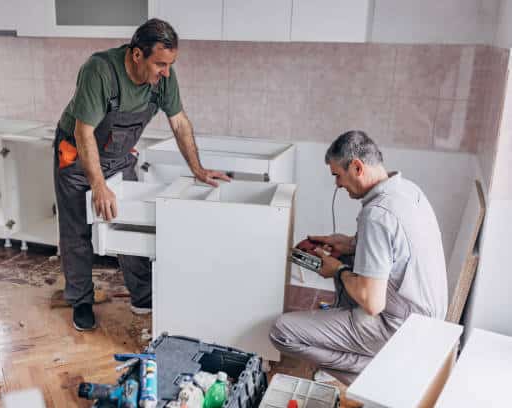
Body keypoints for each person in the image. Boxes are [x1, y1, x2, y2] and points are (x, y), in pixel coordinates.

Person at [54, 19, 230, 331]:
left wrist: (197, 169)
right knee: (77, 233)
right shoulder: (101, 71)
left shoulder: (164, 77)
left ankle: (142, 295)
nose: (166, 71)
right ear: (137, 55)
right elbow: (84, 132)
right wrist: (98, 185)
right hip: (78, 158)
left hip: (118, 159)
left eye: (170, 64)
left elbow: (179, 122)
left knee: (131, 222)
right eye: (160, 63)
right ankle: (81, 300)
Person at [270, 130, 448, 384]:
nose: (337, 185)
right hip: (427, 319)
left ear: (356, 167)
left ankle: (379, 377)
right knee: (352, 261)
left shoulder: (377, 215)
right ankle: (374, 357)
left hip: (401, 329)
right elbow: (393, 247)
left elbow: (372, 303)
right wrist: (347, 243)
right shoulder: (408, 191)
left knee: (281, 332)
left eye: (337, 176)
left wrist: (337, 270)